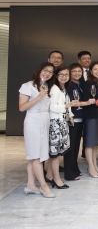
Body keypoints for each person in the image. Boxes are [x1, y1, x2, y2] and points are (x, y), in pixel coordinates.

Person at [19, 62, 56, 198]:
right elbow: (22, 107)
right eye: (45, 70)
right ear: (39, 70)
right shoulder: (27, 86)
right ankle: (44, 186)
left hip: (45, 120)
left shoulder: (47, 86)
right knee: (36, 156)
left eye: (51, 72)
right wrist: (39, 97)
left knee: (35, 155)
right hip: (33, 120)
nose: (47, 73)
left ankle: (30, 185)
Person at [46, 65, 78, 189]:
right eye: (61, 75)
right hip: (55, 124)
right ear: (56, 76)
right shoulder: (54, 89)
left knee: (58, 152)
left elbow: (66, 105)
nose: (64, 77)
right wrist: (68, 106)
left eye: (66, 75)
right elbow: (53, 107)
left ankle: (49, 176)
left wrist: (70, 115)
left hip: (62, 122)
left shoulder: (63, 88)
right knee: (55, 154)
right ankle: (57, 179)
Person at [81, 61, 98, 178]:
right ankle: (91, 166)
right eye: (95, 69)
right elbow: (87, 101)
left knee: (95, 143)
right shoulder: (89, 83)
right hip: (91, 115)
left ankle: (95, 165)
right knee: (89, 143)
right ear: (91, 71)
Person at [64, 63, 86, 181]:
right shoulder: (68, 86)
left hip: (81, 118)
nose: (77, 73)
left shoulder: (80, 84)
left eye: (79, 71)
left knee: (76, 145)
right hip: (73, 119)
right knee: (71, 147)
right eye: (74, 71)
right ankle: (69, 173)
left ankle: (75, 168)